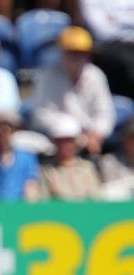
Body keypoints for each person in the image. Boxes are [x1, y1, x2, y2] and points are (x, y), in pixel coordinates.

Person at [31, 26, 114, 157]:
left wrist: (97, 133)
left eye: (82, 53)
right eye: (72, 53)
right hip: (57, 140)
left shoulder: (96, 75)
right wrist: (75, 133)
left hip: (92, 140)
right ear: (63, 53)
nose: (77, 58)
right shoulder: (47, 75)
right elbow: (41, 115)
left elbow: (105, 113)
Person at [39, 114, 102, 200]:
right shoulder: (47, 171)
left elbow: (96, 199)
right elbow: (44, 202)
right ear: (55, 142)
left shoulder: (87, 168)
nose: (66, 145)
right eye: (61, 140)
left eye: (70, 141)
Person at [99, 119, 134, 200]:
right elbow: (110, 192)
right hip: (119, 210)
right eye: (132, 139)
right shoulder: (109, 162)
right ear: (125, 140)